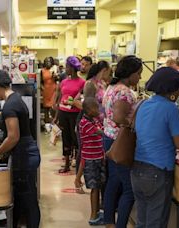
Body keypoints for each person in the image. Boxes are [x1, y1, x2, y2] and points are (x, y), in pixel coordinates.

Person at [132, 67, 179, 228]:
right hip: (158, 172)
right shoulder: (170, 108)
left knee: (142, 221)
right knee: (156, 222)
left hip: (137, 169)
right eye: (178, 90)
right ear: (171, 90)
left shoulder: (143, 104)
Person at [0, 70, 40, 228]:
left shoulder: (10, 105)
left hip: (24, 155)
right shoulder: (15, 99)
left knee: (28, 199)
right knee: (25, 196)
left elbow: (13, 137)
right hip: (26, 152)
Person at [102, 55, 142, 228]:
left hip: (109, 138)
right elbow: (119, 118)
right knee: (129, 189)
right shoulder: (125, 92)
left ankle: (109, 221)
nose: (139, 77)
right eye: (138, 74)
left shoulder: (111, 87)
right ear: (130, 73)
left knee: (113, 181)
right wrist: (134, 122)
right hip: (121, 142)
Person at [75, 98, 105, 226]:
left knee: (98, 186)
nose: (98, 110)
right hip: (91, 161)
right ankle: (93, 215)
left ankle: (98, 212)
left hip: (98, 158)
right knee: (95, 188)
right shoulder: (84, 123)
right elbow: (101, 132)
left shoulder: (93, 120)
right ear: (87, 110)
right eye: (95, 108)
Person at [54, 56, 85, 173]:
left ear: (71, 68)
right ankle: (66, 163)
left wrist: (73, 102)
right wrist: (56, 116)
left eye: (67, 67)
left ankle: (77, 164)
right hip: (63, 112)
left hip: (75, 114)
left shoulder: (82, 82)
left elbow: (80, 97)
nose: (65, 69)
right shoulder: (63, 82)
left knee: (76, 138)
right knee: (65, 137)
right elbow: (60, 98)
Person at [41, 57, 57, 125]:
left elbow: (57, 79)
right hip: (46, 90)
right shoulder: (42, 71)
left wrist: (55, 76)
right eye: (46, 61)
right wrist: (42, 88)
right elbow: (40, 81)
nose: (48, 63)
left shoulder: (54, 69)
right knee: (46, 107)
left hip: (53, 89)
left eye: (49, 61)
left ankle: (54, 121)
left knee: (53, 106)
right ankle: (47, 122)